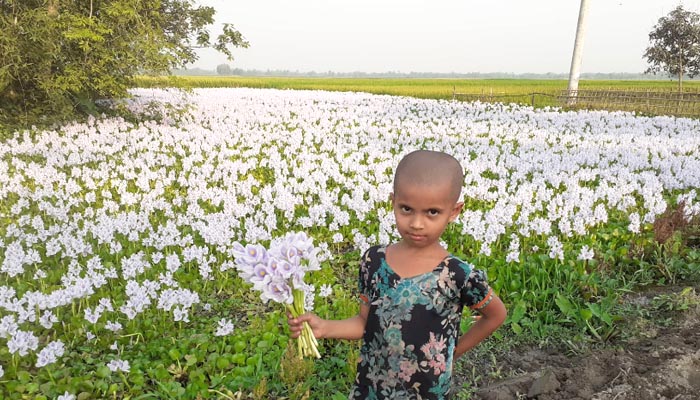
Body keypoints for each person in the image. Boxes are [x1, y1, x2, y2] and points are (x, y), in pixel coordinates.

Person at [288, 149, 507, 399]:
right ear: (393, 201)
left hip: (426, 392)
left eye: (432, 212)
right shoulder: (374, 261)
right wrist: (324, 328)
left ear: (454, 211)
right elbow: (364, 323)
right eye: (406, 209)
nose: (416, 223)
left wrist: (452, 352)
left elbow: (496, 314)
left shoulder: (458, 274)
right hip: (372, 388)